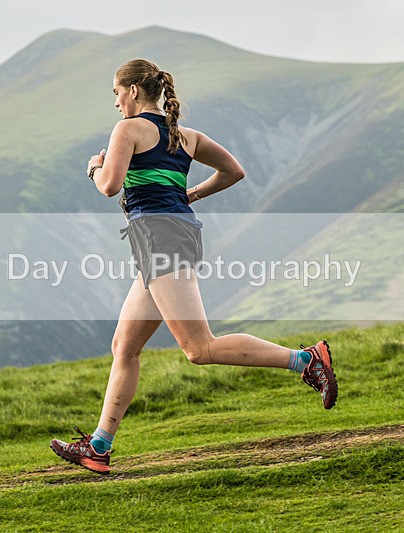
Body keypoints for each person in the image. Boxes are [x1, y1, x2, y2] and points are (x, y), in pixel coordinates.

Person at [50, 59, 337, 475]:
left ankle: (306, 360)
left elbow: (109, 185)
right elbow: (233, 171)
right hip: (167, 237)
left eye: (116, 92)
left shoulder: (127, 130)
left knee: (199, 349)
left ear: (133, 91)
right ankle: (98, 447)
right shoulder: (186, 136)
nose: (115, 102)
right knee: (124, 347)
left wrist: (94, 165)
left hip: (160, 239)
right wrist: (190, 195)